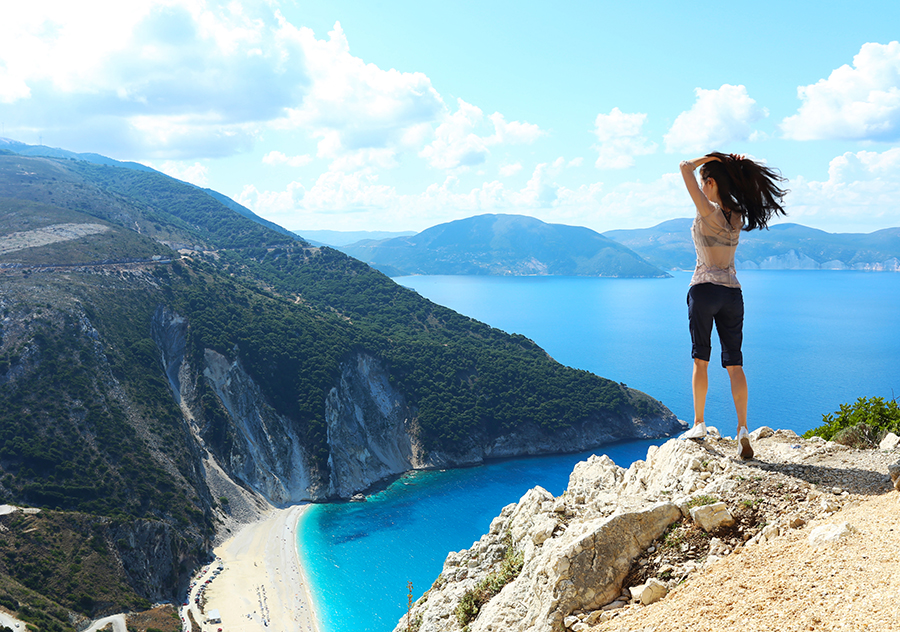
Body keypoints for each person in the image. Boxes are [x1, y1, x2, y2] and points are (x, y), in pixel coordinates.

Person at [678, 152, 788, 458]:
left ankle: (699, 423)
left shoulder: (707, 210)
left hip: (704, 289)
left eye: (704, 182)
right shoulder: (736, 214)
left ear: (710, 183)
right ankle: (742, 429)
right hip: (732, 294)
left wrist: (713, 156)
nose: (701, 186)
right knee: (735, 364)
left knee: (701, 359)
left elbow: (683, 167)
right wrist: (729, 165)